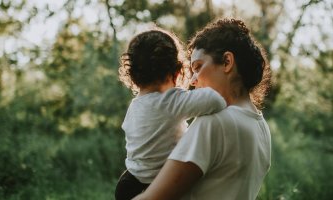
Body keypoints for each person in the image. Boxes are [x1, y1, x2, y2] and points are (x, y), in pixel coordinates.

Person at [133, 18, 272, 200]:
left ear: (227, 62)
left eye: (198, 67)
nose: (192, 80)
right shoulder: (261, 127)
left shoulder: (214, 123)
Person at [115, 28, 227, 200]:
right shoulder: (170, 101)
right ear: (177, 72)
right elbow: (216, 101)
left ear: (133, 76)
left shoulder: (136, 105)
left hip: (129, 183)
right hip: (153, 186)